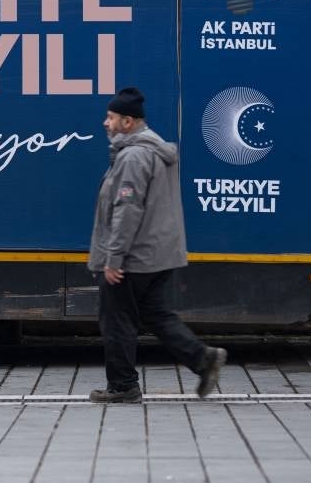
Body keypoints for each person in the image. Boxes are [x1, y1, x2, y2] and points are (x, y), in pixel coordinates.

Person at [88, 87, 226, 403]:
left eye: (110, 118)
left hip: (133, 256)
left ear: (127, 121)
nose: (104, 123)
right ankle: (203, 359)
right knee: (156, 314)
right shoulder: (154, 151)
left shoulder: (134, 156)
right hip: (157, 254)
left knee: (118, 319)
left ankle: (123, 386)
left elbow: (127, 209)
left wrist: (114, 257)